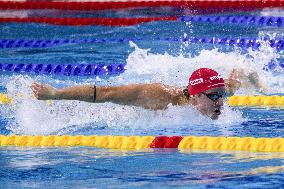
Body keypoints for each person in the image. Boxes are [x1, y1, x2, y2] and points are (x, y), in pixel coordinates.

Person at [31, 68, 268, 120]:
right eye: (213, 96)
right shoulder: (159, 97)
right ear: (194, 96)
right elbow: (103, 92)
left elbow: (231, 84)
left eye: (220, 95)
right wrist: (55, 94)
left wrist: (250, 78)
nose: (220, 102)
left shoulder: (220, 91)